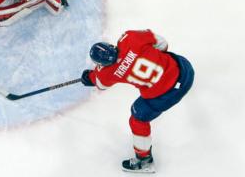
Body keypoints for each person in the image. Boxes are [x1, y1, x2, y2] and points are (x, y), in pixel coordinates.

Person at [80, 29, 194, 173]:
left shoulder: (106, 73)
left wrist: (89, 77)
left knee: (138, 118)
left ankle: (144, 161)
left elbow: (100, 84)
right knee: (162, 56)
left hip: (168, 94)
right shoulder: (130, 37)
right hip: (185, 69)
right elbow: (162, 44)